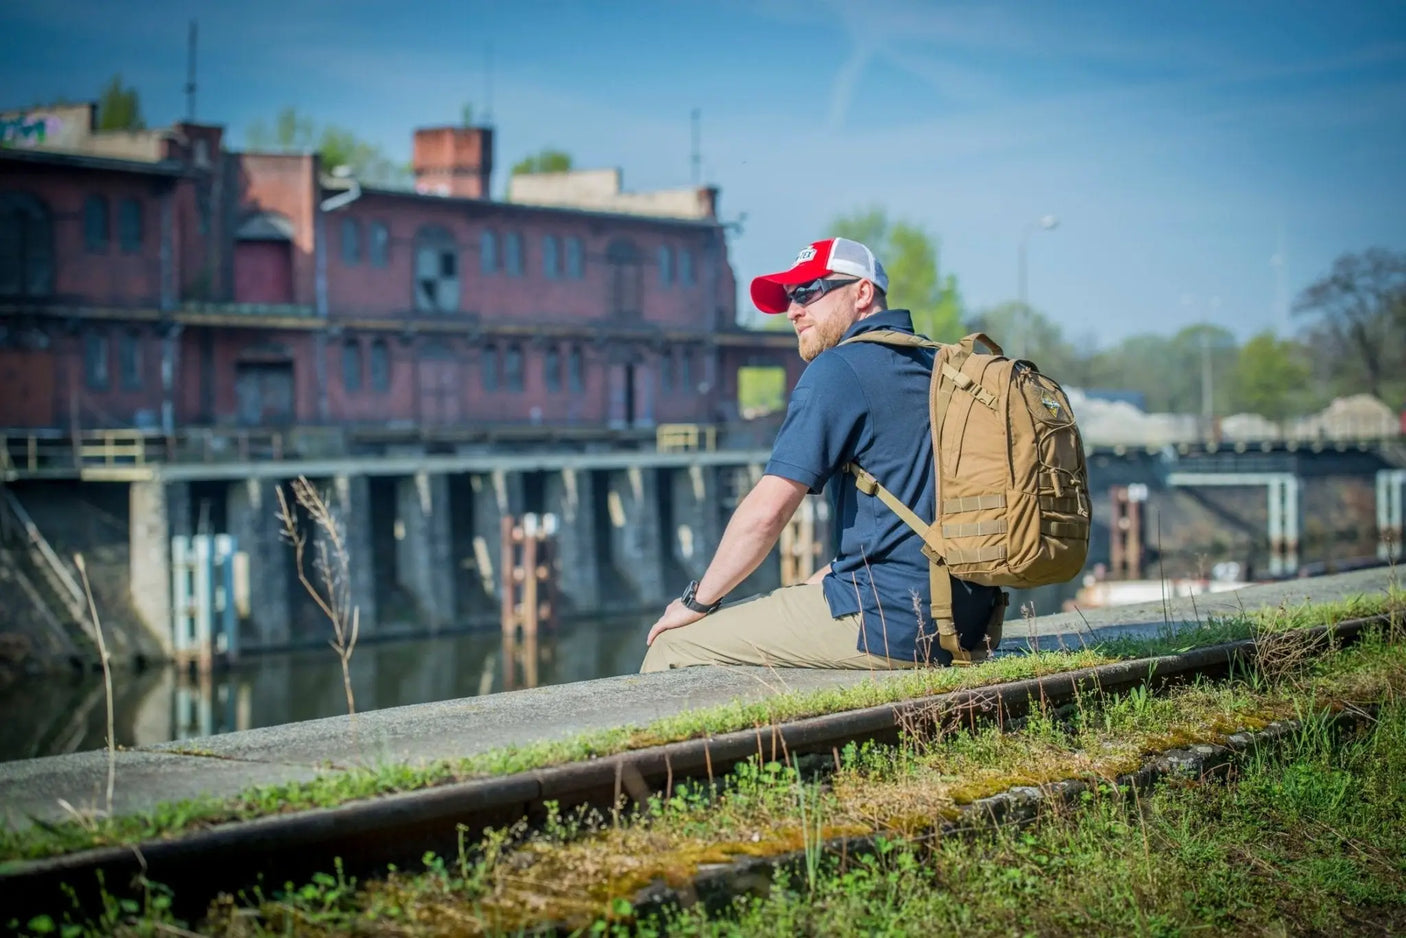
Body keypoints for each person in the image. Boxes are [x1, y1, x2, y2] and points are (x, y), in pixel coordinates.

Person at [639, 237, 1002, 673]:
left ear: (862, 293)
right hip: (970, 620)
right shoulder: (939, 364)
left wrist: (695, 602)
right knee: (799, 596)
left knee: (674, 646)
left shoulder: (838, 370)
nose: (793, 310)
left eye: (809, 291)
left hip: (891, 625)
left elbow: (766, 513)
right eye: (791, 297)